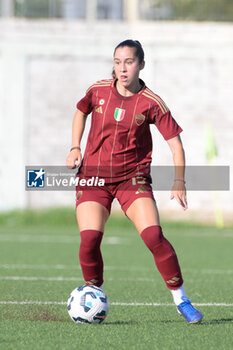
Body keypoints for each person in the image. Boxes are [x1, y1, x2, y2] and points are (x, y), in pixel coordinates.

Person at [66, 39, 203, 324]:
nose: (122, 68)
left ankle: (182, 300)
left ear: (141, 64)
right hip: (94, 177)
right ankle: (95, 294)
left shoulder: (151, 103)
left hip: (132, 179)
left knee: (153, 236)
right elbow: (81, 111)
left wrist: (179, 180)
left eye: (129, 62)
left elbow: (176, 145)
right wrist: (75, 147)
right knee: (89, 239)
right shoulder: (98, 90)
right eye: (118, 62)